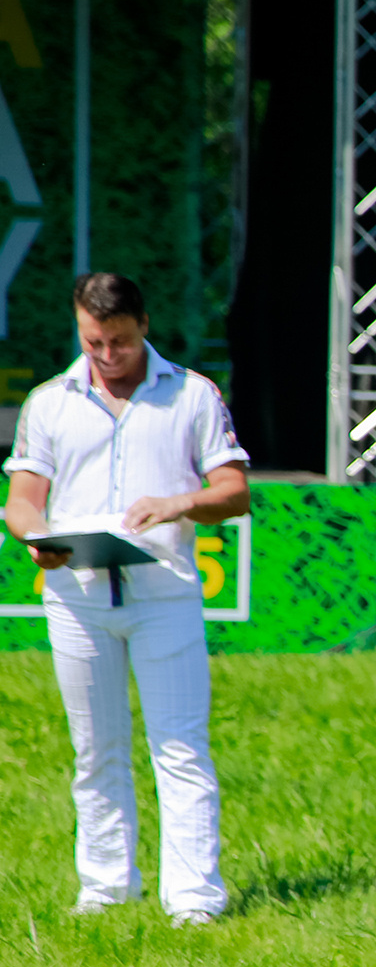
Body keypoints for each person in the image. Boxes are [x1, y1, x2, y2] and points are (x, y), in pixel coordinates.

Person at [2, 273, 250, 923]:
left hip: (164, 593)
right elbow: (22, 501)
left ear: (143, 323)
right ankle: (107, 888)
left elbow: (235, 490)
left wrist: (180, 502)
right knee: (96, 748)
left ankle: (195, 900)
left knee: (180, 745)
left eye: (119, 341)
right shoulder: (49, 401)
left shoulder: (193, 396)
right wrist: (37, 538)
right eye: (94, 342)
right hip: (76, 595)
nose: (108, 356)